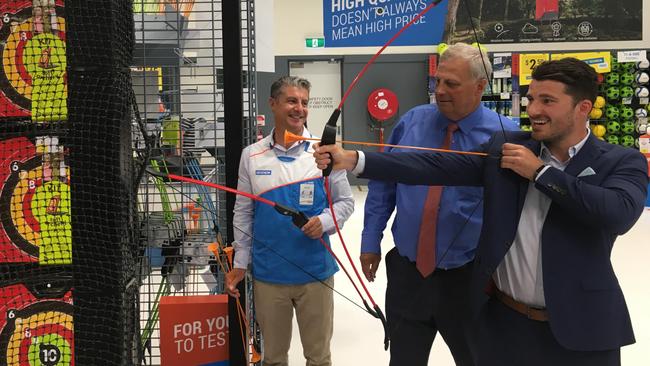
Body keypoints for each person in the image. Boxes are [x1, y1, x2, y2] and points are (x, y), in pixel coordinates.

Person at [314, 58, 649, 366]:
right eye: (531, 99)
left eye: (547, 101)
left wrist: (541, 173)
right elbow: (435, 165)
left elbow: (618, 213)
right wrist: (355, 160)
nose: (533, 110)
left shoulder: (620, 161)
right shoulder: (509, 148)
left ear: (583, 108)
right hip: (506, 324)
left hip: (582, 329)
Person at [360, 42, 518, 366]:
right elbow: (384, 184)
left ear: (480, 86)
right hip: (408, 273)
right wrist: (370, 240)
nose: (440, 91)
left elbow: (515, 210)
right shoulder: (412, 122)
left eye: (452, 84)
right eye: (438, 81)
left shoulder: (506, 136)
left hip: (469, 278)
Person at [226, 76, 354, 366]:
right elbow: (244, 211)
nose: (299, 109)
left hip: (316, 272)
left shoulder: (324, 153)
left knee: (319, 358)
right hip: (270, 275)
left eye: (304, 103)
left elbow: (345, 203)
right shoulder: (252, 156)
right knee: (273, 358)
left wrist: (324, 222)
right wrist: (240, 263)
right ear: (273, 104)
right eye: (292, 101)